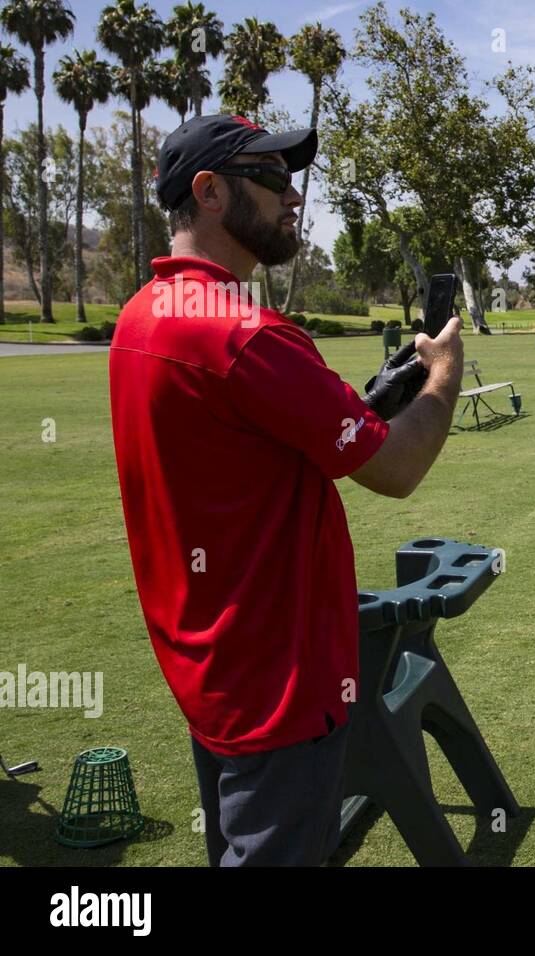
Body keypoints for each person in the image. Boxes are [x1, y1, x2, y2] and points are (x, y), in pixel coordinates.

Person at [108, 115, 464, 866]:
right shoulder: (244, 332)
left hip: (209, 665)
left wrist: (366, 402)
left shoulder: (144, 316)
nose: (292, 195)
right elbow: (395, 471)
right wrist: (443, 375)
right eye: (270, 178)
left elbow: (253, 445)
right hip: (281, 681)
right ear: (209, 192)